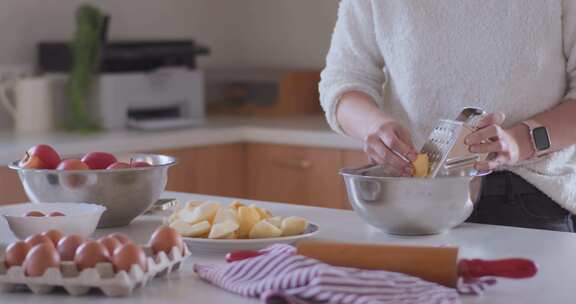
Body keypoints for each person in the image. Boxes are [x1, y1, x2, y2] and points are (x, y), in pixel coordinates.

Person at [320, 1, 576, 232]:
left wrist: (521, 141)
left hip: (529, 196)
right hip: (412, 196)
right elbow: (343, 81)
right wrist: (375, 127)